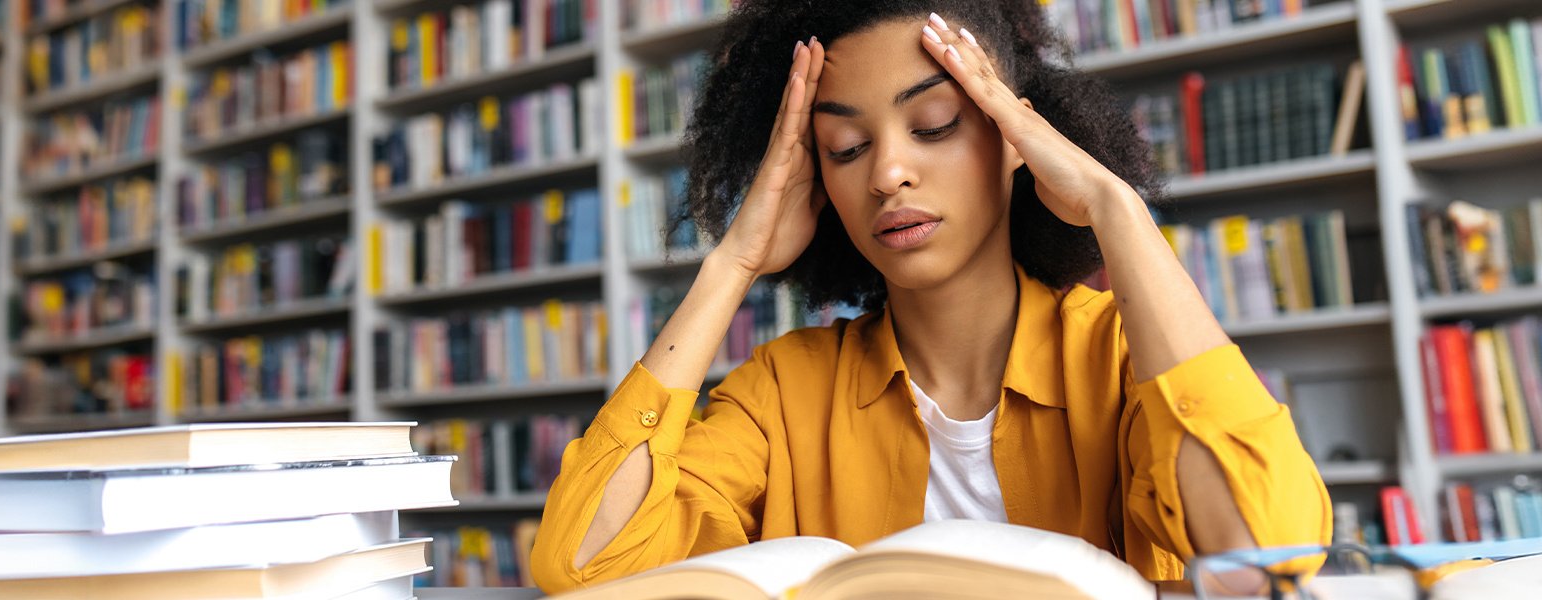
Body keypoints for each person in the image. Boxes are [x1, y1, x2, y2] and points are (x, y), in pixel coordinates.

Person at [527, 0, 1331, 592]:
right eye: (845, 148)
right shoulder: (782, 392)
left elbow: (1267, 556)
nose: (886, 174)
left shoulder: (1123, 359)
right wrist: (734, 260)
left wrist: (1115, 209)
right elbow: (585, 565)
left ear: (1017, 139)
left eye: (936, 123)